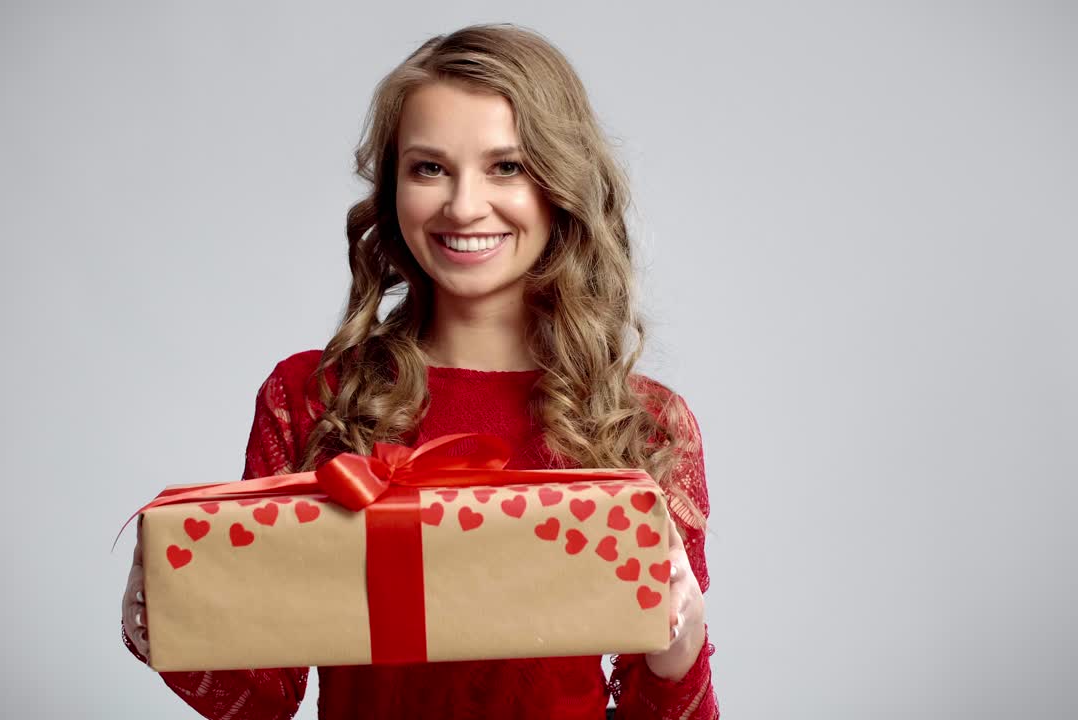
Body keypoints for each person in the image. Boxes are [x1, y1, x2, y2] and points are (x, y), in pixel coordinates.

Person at [120, 23, 718, 719]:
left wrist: (683, 640)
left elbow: (662, 707)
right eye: (429, 167)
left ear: (562, 183)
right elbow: (265, 696)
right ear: (392, 188)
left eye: (507, 167)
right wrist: (167, 618)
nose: (464, 206)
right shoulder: (312, 398)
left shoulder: (640, 424)